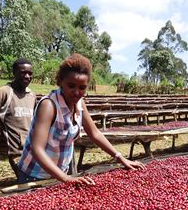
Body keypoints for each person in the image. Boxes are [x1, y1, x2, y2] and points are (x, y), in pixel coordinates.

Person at [17, 53, 145, 185]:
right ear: (60, 81)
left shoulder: (79, 103)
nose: (77, 92)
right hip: (34, 175)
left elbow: (95, 134)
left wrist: (120, 158)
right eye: (71, 86)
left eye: (82, 87)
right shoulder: (49, 106)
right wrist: (67, 178)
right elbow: (37, 149)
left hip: (60, 174)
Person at [0, 58, 36, 178]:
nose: (27, 76)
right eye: (23, 72)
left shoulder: (31, 95)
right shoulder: (4, 92)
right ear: (14, 73)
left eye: (30, 73)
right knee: (27, 184)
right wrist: (3, 135)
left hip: (35, 150)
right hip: (18, 153)